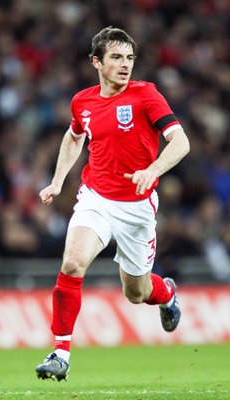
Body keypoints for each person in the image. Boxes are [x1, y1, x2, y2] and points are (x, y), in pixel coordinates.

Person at [35, 26, 190, 381]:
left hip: (137, 208)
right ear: (96, 62)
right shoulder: (83, 102)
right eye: (117, 58)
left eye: (130, 58)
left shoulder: (146, 96)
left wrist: (153, 170)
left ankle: (166, 293)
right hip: (96, 199)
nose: (125, 65)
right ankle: (60, 353)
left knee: (136, 293)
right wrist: (58, 181)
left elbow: (180, 142)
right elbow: (74, 137)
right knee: (72, 263)